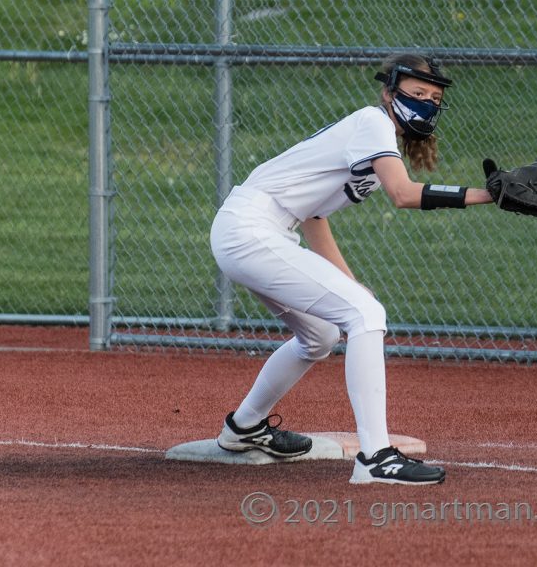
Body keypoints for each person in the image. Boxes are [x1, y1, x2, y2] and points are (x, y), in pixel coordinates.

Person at [209, 53, 493, 485]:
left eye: (434, 98)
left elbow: (314, 217)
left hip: (259, 230)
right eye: (416, 94)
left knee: (320, 334)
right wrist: (486, 195)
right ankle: (376, 458)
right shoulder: (372, 122)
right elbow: (404, 194)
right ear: (388, 93)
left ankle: (244, 427)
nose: (426, 104)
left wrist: (349, 282)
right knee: (365, 314)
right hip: (250, 227)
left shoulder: (378, 150)